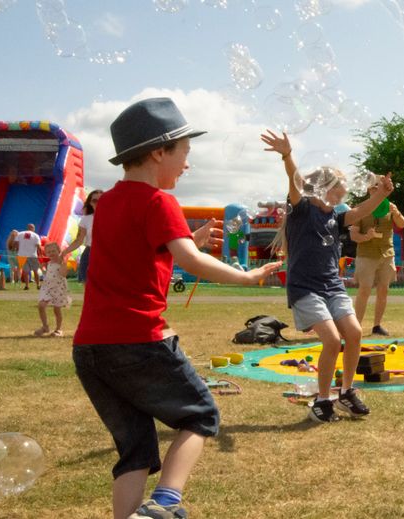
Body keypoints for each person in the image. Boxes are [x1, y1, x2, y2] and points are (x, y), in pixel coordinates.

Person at [72, 98, 280, 519]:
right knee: (201, 414)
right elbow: (188, 261)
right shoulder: (159, 202)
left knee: (135, 449)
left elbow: (140, 251)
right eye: (184, 153)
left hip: (91, 348)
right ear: (158, 151)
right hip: (139, 342)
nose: (187, 165)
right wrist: (248, 278)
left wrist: (189, 239)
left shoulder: (108, 203)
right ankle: (164, 505)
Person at [261, 129, 394, 423]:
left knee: (355, 333)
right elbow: (295, 182)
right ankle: (322, 401)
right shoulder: (301, 210)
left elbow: (361, 211)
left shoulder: (336, 217)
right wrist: (287, 154)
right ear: (321, 189)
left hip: (332, 286)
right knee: (333, 340)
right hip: (305, 289)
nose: (342, 197)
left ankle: (346, 391)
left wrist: (382, 194)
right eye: (338, 192)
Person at [350, 182, 404, 336]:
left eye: (379, 187)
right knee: (364, 289)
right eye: (374, 187)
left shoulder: (389, 206)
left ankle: (377, 326)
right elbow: (353, 235)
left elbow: (402, 224)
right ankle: (356, 326)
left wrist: (396, 213)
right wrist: (365, 236)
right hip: (366, 254)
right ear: (368, 189)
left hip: (387, 254)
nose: (376, 190)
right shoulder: (360, 208)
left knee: (383, 290)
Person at [62, 189, 104, 283]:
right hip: (89, 253)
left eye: (101, 200)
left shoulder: (113, 216)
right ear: (90, 203)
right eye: (94, 200)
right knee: (87, 284)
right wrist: (65, 252)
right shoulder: (85, 219)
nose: (97, 203)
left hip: (106, 254)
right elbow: (79, 240)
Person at [34, 242, 71, 337]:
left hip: (58, 288)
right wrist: (42, 269)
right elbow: (49, 274)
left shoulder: (62, 262)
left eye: (53, 251)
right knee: (41, 305)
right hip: (47, 287)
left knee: (56, 309)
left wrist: (64, 264)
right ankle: (45, 326)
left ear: (59, 251)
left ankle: (58, 329)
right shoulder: (49, 263)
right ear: (46, 254)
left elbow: (63, 274)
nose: (51, 253)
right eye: (49, 252)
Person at [15, 224, 42, 290]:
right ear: (33, 229)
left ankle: (27, 286)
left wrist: (18, 251)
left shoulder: (20, 234)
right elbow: (38, 246)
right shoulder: (36, 235)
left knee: (25, 271)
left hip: (22, 255)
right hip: (32, 255)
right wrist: (40, 254)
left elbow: (16, 244)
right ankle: (38, 285)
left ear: (27, 228)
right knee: (35, 271)